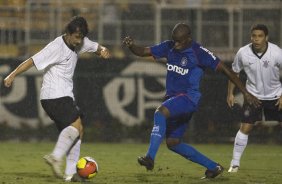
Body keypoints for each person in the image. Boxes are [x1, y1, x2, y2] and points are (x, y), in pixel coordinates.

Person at [122, 23, 260, 179]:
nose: (176, 44)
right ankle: (213, 167)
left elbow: (227, 70)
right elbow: (143, 52)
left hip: (188, 98)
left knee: (160, 113)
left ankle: (150, 158)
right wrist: (132, 46)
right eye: (174, 40)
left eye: (180, 41)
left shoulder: (199, 52)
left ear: (189, 38)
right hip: (174, 99)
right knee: (173, 142)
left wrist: (245, 92)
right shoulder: (169, 46)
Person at [4, 16, 110, 182]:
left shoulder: (81, 42)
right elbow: (32, 61)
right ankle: (55, 156)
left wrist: (103, 50)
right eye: (76, 37)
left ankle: (70, 174)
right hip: (53, 95)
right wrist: (12, 74)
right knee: (76, 126)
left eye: (81, 37)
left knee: (78, 131)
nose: (78, 41)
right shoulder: (56, 47)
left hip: (63, 96)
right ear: (67, 33)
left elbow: (96, 47)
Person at [226, 24, 282, 173]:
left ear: (266, 38)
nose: (256, 39)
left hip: (276, 96)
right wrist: (230, 94)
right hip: (253, 96)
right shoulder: (243, 53)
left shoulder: (276, 52)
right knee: (245, 127)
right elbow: (234, 74)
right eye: (254, 36)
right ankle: (235, 164)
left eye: (260, 36)